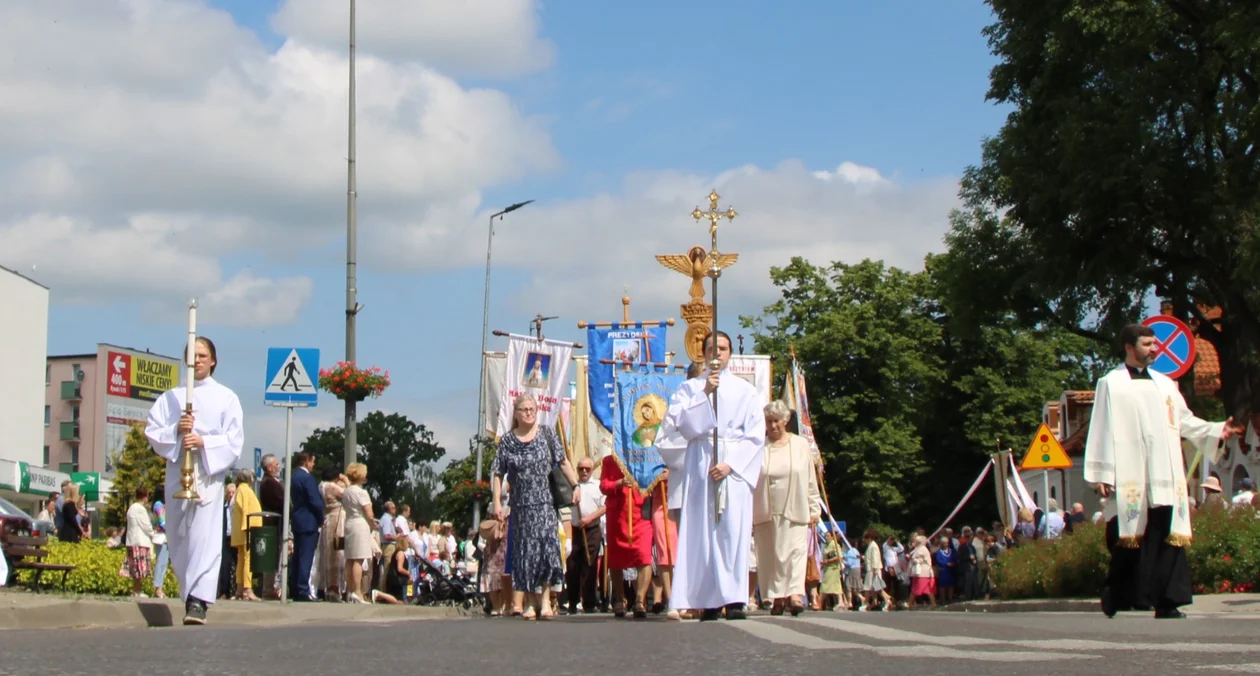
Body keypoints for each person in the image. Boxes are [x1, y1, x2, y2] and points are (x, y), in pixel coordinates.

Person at [1085, 323, 1241, 619]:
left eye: (1155, 344)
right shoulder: (1111, 383)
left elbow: (1184, 420)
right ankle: (1118, 591)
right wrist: (1102, 474)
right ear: (1129, 348)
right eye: (1147, 344)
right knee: (1130, 534)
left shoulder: (1166, 384)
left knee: (1169, 536)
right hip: (1132, 474)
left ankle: (1168, 601)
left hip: (1166, 473)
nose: (1155, 349)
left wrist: (1215, 430)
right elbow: (1102, 428)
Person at [659, 331, 765, 621]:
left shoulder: (746, 391)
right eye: (711, 348)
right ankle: (707, 598)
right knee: (702, 531)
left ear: (730, 353)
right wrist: (705, 393)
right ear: (702, 353)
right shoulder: (688, 388)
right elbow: (681, 427)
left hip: (732, 466)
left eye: (722, 348)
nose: (717, 353)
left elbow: (755, 435)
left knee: (732, 531)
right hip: (701, 462)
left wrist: (731, 464)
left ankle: (734, 598)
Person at [145, 336, 245, 625]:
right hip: (178, 472)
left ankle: (198, 601)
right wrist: (176, 429)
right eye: (192, 356)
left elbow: (234, 440)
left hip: (207, 474)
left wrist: (203, 441)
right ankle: (187, 592)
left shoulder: (227, 398)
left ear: (213, 360)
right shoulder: (171, 397)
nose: (197, 360)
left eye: (202, 355)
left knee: (203, 536)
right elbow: (153, 432)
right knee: (179, 537)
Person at [490, 393, 580, 621]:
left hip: (544, 504)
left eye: (532, 409)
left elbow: (563, 461)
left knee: (548, 552)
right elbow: (498, 473)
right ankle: (530, 603)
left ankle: (547, 600)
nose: (529, 413)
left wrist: (575, 484)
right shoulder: (508, 441)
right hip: (521, 506)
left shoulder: (547, 434)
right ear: (516, 414)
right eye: (524, 410)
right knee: (524, 554)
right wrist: (497, 501)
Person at [752, 399, 820, 616]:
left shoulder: (800, 445)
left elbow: (810, 478)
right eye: (768, 421)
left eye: (776, 421)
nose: (772, 426)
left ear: (785, 420)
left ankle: (795, 595)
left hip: (796, 508)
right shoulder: (759, 447)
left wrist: (814, 508)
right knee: (772, 555)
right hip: (767, 510)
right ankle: (777, 598)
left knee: (795, 553)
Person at [599, 454, 654, 618]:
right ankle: (620, 599)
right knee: (616, 558)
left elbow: (652, 479)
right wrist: (618, 483)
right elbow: (603, 486)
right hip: (617, 516)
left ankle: (639, 600)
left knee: (644, 556)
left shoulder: (644, 458)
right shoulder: (609, 461)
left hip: (639, 515)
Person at [288, 451, 324, 602]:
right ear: (307, 461)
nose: (313, 464)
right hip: (309, 520)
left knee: (297, 556)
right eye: (312, 461)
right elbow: (315, 501)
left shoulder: (294, 476)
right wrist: (321, 518)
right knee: (306, 556)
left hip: (297, 519)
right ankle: (303, 589)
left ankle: (295, 587)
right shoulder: (307, 478)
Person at [230, 469, 261, 601]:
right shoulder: (244, 489)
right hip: (247, 528)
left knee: (242, 559)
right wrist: (246, 526)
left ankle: (240, 588)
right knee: (247, 560)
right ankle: (247, 589)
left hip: (243, 529)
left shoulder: (241, 489)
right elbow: (245, 509)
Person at [122, 487, 156, 597]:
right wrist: (153, 533)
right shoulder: (140, 509)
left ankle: (135, 590)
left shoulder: (131, 508)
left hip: (132, 541)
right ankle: (137, 591)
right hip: (140, 541)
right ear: (144, 497)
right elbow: (146, 525)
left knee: (135, 567)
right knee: (139, 567)